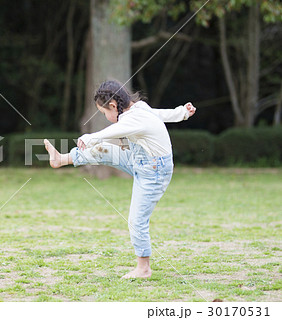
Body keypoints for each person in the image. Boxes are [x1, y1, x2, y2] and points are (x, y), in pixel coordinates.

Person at [43, 80, 196, 279]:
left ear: (114, 106)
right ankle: (61, 159)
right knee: (102, 150)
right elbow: (158, 114)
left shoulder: (134, 117)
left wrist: (91, 137)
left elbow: (115, 131)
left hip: (154, 172)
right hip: (139, 162)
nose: (106, 117)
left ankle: (144, 269)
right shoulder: (138, 110)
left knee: (136, 220)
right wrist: (181, 112)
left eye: (104, 113)